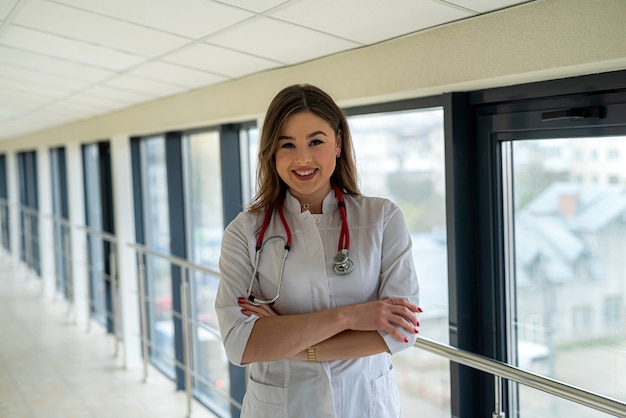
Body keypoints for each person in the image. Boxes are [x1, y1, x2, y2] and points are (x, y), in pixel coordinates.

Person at [215, 84, 421, 418]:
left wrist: (288, 341)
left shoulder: (382, 219)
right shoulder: (244, 231)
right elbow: (240, 344)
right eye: (287, 145)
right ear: (271, 152)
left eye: (316, 141)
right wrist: (351, 316)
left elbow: (400, 333)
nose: (303, 158)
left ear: (338, 143)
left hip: (365, 403)